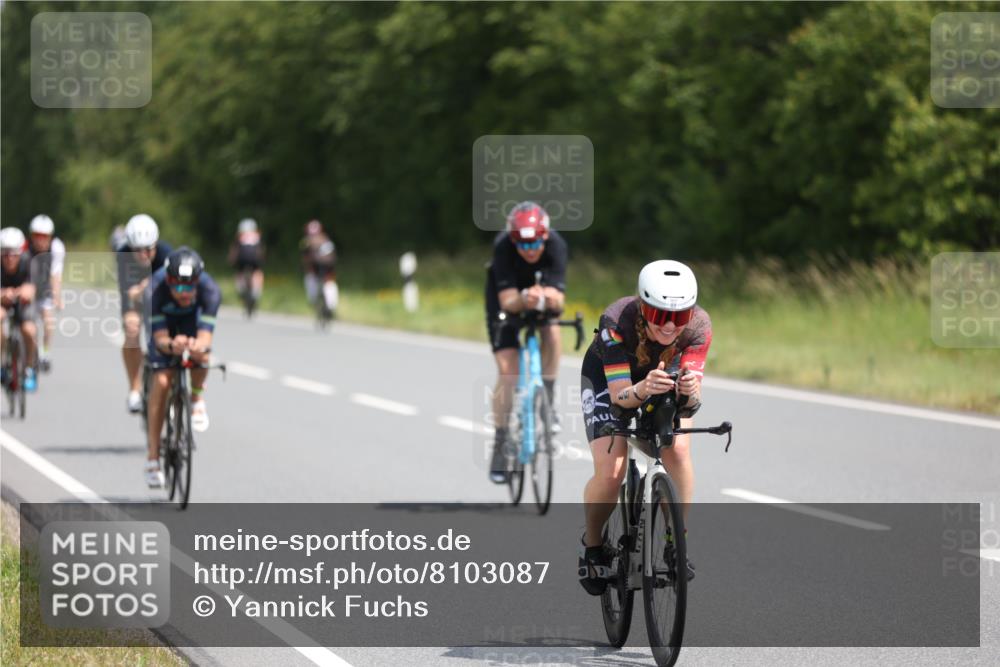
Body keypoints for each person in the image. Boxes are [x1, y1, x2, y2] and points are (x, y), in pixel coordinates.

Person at [577, 259, 712, 595]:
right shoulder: (616, 321)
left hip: (661, 377)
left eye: (678, 317)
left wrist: (690, 393)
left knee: (678, 449)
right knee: (612, 470)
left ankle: (674, 541)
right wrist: (641, 389)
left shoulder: (698, 327)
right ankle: (592, 546)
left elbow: (691, 403)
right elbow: (620, 397)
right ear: (643, 307)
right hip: (612, 379)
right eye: (659, 316)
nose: (669, 326)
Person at [484, 201, 568, 483]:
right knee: (509, 373)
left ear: (545, 236)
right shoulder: (503, 246)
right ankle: (500, 441)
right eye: (522, 244)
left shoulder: (557, 244)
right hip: (505, 301)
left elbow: (560, 299)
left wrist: (545, 297)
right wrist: (525, 298)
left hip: (540, 298)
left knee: (553, 331)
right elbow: (508, 301)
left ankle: (549, 398)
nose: (529, 250)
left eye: (535, 244)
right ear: (513, 240)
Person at [144, 247, 220, 488]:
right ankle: (153, 458)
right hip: (164, 327)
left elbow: (206, 337)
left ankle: (196, 399)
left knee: (202, 356)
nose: (182, 292)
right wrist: (170, 344)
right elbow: (159, 340)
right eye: (176, 286)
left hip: (190, 323)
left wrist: (197, 345)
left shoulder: (210, 291)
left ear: (198, 282)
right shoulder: (154, 291)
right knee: (163, 380)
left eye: (188, 287)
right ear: (167, 280)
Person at [115, 214, 171, 414]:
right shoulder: (123, 255)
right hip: (135, 301)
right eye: (137, 250)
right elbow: (130, 293)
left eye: (148, 249)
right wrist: (146, 287)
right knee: (131, 329)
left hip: (162, 300)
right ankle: (134, 389)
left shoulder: (166, 254)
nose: (143, 255)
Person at [0, 227, 38, 392]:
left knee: (29, 330)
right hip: (2, 301)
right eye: (5, 254)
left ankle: (29, 368)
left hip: (22, 302)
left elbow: (33, 287)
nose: (9, 258)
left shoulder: (29, 261)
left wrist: (26, 291)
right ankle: (2, 363)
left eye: (14, 254)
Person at [26, 214, 66, 371]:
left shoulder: (57, 248)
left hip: (44, 288)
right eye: (37, 236)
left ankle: (45, 352)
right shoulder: (24, 248)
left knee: (49, 323)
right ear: (31, 235)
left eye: (45, 236)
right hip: (27, 289)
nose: (40, 240)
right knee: (30, 327)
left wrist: (57, 297)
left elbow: (56, 274)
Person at [300, 219, 338, 317]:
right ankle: (331, 305)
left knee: (310, 278)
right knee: (329, 282)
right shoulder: (326, 239)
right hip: (329, 266)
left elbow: (305, 258)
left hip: (315, 266)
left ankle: (313, 300)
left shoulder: (306, 241)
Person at [228, 218, 265, 312]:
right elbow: (260, 251)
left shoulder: (239, 236)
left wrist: (231, 261)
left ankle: (241, 290)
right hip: (254, 261)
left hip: (241, 261)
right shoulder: (257, 235)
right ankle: (256, 292)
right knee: (257, 272)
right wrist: (262, 261)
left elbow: (234, 250)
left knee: (239, 273)